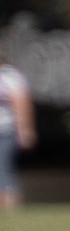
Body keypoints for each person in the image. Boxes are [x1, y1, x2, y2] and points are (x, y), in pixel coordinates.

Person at [0, 58, 35, 210]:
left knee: (3, 170)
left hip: (6, 132)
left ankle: (10, 208)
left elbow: (22, 105)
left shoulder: (10, 76)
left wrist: (25, 131)